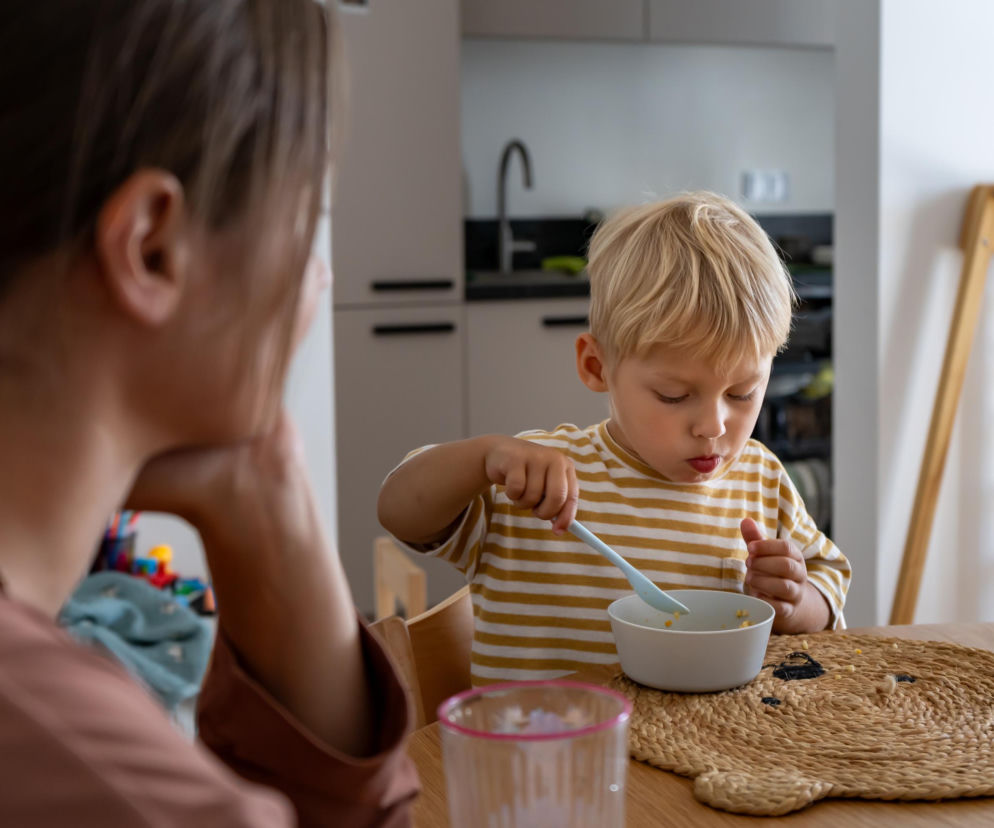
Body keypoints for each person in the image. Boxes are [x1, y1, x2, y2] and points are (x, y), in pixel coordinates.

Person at [0, 2, 417, 824]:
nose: (318, 280)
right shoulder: (117, 788)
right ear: (152, 248)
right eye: (305, 222)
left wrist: (267, 483)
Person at [378, 192, 852, 685]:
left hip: (710, 737)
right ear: (596, 366)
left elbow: (830, 585)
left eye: (742, 393)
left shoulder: (762, 480)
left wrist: (796, 602)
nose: (713, 426)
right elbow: (399, 511)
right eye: (673, 395)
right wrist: (483, 458)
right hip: (542, 733)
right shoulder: (531, 485)